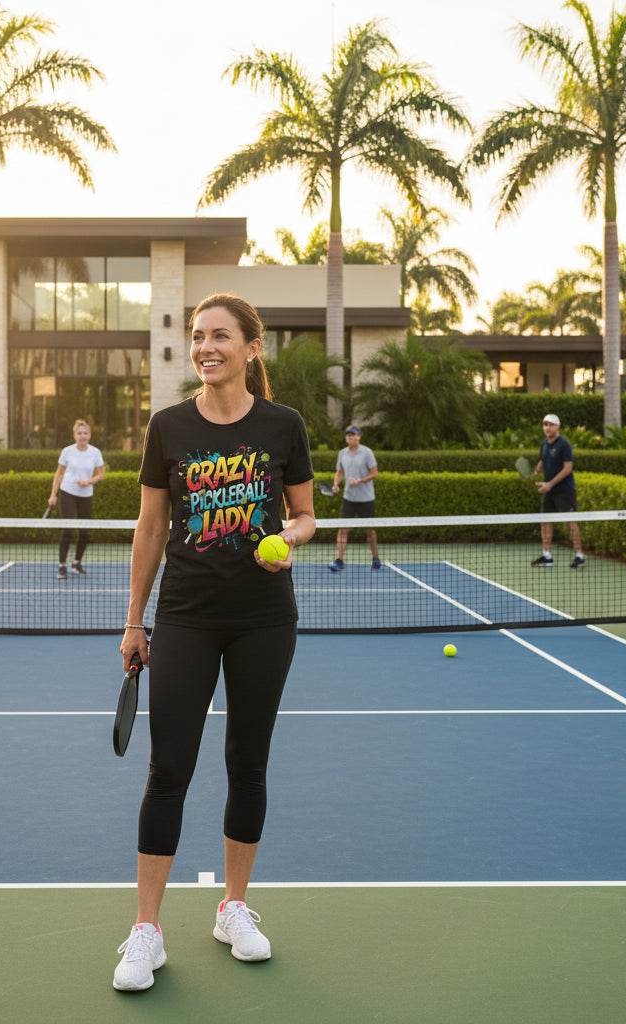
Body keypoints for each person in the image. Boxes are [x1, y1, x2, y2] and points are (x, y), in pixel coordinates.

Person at [113, 293, 316, 992]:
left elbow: (306, 514)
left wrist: (288, 538)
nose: (206, 347)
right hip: (186, 618)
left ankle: (233, 908)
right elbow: (149, 528)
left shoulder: (284, 425)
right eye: (199, 336)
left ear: (252, 348)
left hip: (264, 619)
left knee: (247, 764)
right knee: (168, 767)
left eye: (220, 336)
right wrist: (135, 620)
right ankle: (147, 930)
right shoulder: (168, 426)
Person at [48, 419, 104, 578]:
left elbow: (100, 475)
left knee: (84, 531)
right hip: (68, 492)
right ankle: (62, 565)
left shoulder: (95, 452)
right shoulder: (67, 451)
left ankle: (77, 562)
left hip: (86, 495)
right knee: (67, 529)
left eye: (85, 433)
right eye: (79, 433)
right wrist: (53, 495)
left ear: (90, 435)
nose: (82, 436)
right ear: (74, 435)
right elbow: (59, 473)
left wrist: (88, 481)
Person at [531, 413, 585, 568]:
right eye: (545, 425)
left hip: (565, 490)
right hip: (550, 491)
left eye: (550, 425)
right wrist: (536, 470)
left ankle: (579, 555)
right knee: (545, 521)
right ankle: (547, 556)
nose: (547, 428)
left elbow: (568, 469)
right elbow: (543, 459)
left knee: (570, 522)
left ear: (557, 427)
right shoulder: (544, 444)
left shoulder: (564, 444)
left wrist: (550, 484)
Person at [328, 425, 381, 571]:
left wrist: (360, 480)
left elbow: (374, 472)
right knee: (343, 529)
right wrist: (336, 485)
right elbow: (340, 472)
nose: (351, 437)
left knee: (370, 531)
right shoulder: (342, 453)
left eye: (354, 435)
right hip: (349, 498)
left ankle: (375, 558)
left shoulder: (367, 452)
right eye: (348, 435)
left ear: (359, 437)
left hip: (366, 499)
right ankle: (339, 560)